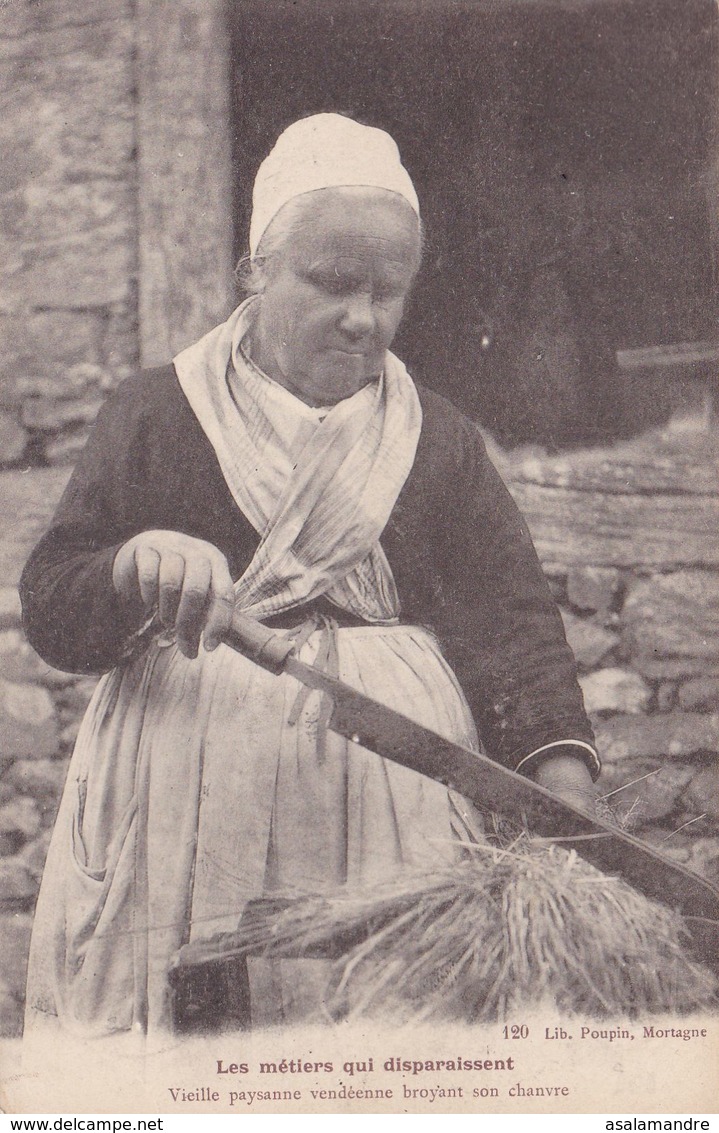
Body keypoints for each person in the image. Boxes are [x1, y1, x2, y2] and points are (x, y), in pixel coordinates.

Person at [20, 114, 599, 1037]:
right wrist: (132, 565)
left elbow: (511, 619)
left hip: (398, 803)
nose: (362, 318)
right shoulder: (157, 412)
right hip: (186, 809)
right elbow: (54, 604)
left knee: (384, 1037)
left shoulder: (436, 437)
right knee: (192, 1047)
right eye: (331, 284)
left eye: (388, 291)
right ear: (254, 270)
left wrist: (560, 779)